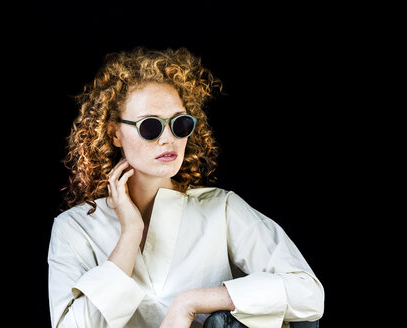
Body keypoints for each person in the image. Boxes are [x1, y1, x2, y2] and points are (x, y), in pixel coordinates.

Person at [47, 47, 324, 328]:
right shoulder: (73, 229)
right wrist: (130, 235)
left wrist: (191, 302)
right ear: (114, 133)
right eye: (150, 126)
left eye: (179, 124)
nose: (168, 138)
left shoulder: (221, 209)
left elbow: (308, 293)